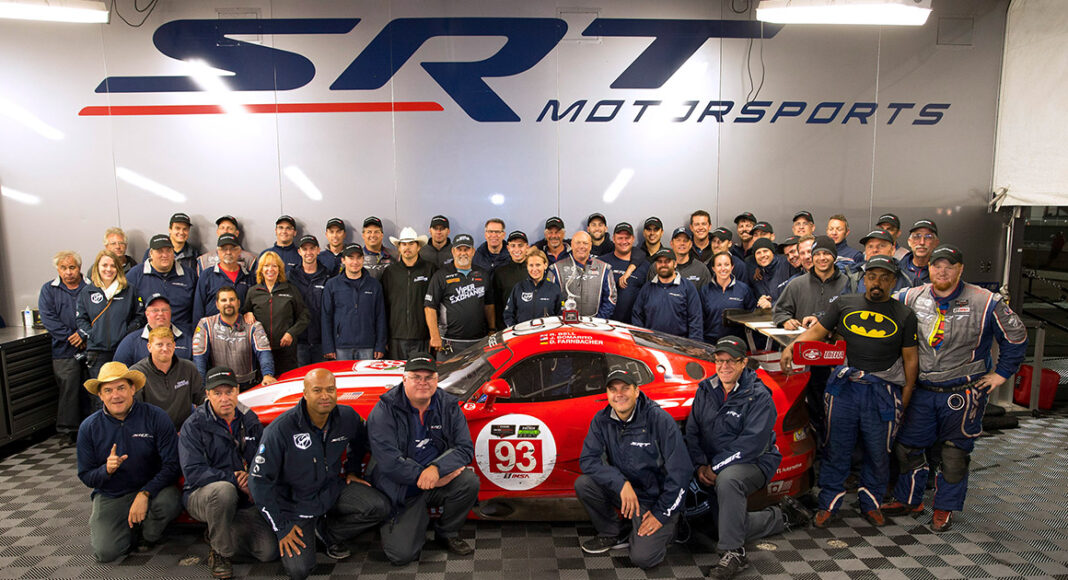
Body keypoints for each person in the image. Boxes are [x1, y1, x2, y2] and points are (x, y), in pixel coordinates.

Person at [883, 245, 1027, 532]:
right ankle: (910, 499)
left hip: (962, 392)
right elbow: (873, 309)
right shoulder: (910, 296)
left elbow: (1017, 337)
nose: (942, 271)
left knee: (953, 454)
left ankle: (944, 508)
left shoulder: (986, 301)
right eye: (937, 266)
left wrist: (1001, 374)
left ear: (960, 269)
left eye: (949, 266)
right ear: (929, 268)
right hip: (922, 390)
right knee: (907, 447)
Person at [781, 256, 918, 528]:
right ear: (864, 279)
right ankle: (829, 504)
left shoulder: (904, 314)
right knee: (836, 447)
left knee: (878, 452)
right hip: (844, 389)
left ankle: (871, 503)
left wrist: (905, 396)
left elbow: (911, 360)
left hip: (881, 392)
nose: (877, 283)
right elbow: (818, 331)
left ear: (893, 281)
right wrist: (792, 346)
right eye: (872, 276)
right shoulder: (845, 304)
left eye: (884, 278)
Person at [686, 337, 812, 580]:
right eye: (719, 361)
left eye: (731, 361)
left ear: (743, 363)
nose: (724, 366)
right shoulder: (705, 389)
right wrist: (700, 464)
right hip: (714, 463)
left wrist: (715, 467)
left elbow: (751, 445)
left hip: (755, 461)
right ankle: (783, 516)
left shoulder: (759, 395)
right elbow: (692, 432)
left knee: (729, 480)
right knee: (724, 524)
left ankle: (734, 553)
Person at [249, 368, 390, 579]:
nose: (325, 396)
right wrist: (282, 527)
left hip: (331, 491)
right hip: (296, 505)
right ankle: (304, 532)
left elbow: (361, 441)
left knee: (379, 507)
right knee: (299, 571)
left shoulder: (347, 417)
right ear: (305, 393)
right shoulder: (280, 430)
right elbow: (258, 481)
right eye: (317, 390)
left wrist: (352, 470)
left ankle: (325, 533)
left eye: (330, 389)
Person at [367, 354, 479, 565]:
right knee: (401, 556)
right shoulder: (384, 411)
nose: (423, 382)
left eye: (429, 377)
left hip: (435, 480)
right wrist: (427, 477)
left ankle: (447, 533)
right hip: (402, 490)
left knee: (468, 482)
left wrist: (436, 469)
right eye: (416, 377)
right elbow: (389, 463)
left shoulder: (448, 405)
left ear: (437, 380)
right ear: (404, 379)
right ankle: (401, 520)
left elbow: (464, 448)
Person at [575, 369, 691, 569]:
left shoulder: (659, 420)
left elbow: (681, 473)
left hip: (656, 501)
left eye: (625, 388)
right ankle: (613, 532)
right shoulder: (602, 419)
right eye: (613, 389)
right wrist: (621, 484)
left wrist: (661, 514)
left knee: (643, 558)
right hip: (628, 494)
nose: (619, 394)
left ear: (637, 391)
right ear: (607, 394)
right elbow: (588, 460)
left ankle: (672, 527)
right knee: (585, 484)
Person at [178, 367, 278, 579]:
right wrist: (234, 479)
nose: (224, 398)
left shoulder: (250, 420)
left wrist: (252, 479)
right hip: (201, 494)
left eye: (229, 392)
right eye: (217, 393)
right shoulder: (193, 425)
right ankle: (220, 552)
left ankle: (220, 531)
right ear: (208, 394)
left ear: (237, 390)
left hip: (243, 498)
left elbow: (264, 460)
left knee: (268, 552)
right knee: (224, 491)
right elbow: (193, 472)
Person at [76, 362, 182, 562]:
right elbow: (86, 475)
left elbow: (173, 465)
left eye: (121, 388)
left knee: (170, 501)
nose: (115, 395)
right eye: (108, 390)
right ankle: (131, 530)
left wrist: (145, 493)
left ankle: (147, 534)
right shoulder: (88, 428)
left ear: (133, 389)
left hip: (154, 490)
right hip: (112, 494)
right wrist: (106, 470)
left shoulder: (156, 417)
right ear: (100, 395)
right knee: (106, 553)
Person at [772, 236, 852, 444]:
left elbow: (854, 317)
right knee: (811, 408)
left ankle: (834, 447)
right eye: (817, 254)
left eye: (826, 254)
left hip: (840, 359)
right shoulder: (797, 284)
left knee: (839, 410)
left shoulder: (848, 284)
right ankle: (818, 447)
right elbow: (779, 311)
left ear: (834, 256)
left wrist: (829, 326)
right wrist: (785, 320)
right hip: (807, 358)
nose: (821, 258)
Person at [40, 250, 89, 445]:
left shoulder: (91, 287)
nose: (68, 272)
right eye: (63, 268)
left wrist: (84, 334)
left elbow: (99, 315)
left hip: (90, 346)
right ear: (57, 269)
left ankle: (91, 427)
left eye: (72, 267)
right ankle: (69, 431)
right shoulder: (49, 290)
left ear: (79, 268)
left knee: (91, 388)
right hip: (63, 350)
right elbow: (48, 319)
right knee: (69, 389)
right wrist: (72, 337)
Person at [77, 250, 143, 382]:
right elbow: (81, 319)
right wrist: (93, 334)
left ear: (118, 268)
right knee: (100, 390)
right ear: (97, 267)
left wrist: (126, 333)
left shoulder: (129, 290)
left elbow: (140, 316)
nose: (108, 269)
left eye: (113, 266)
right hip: (97, 351)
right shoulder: (87, 292)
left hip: (123, 348)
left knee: (124, 386)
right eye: (104, 265)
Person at [193, 287, 276, 389]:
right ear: (217, 304)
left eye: (232, 299)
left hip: (248, 386)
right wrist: (201, 388)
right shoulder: (205, 324)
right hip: (219, 386)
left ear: (238, 303)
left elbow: (264, 352)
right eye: (224, 300)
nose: (228, 303)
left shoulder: (253, 325)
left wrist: (268, 374)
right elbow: (199, 358)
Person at [425, 234, 492, 359]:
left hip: (479, 341)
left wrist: (492, 329)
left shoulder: (483, 274)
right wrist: (434, 335)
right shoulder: (441, 275)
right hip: (449, 341)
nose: (463, 253)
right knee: (448, 372)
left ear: (473, 251)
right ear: (453, 251)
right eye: (459, 249)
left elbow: (489, 304)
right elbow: (430, 307)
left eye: (466, 249)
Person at [243, 251, 309, 376]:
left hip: (286, 349)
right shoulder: (253, 292)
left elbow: (304, 316)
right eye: (266, 266)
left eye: (274, 266)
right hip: (262, 350)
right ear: (261, 269)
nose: (270, 269)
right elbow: (243, 312)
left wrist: (291, 333)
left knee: (287, 382)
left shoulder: (290, 289)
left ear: (280, 269)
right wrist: (247, 312)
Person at [322, 243, 387, 361]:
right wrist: (328, 347)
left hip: (368, 346)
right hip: (340, 347)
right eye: (351, 258)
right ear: (343, 260)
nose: (355, 262)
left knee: (366, 374)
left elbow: (380, 316)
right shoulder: (331, 285)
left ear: (363, 259)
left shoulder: (374, 285)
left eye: (358, 258)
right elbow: (326, 317)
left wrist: (380, 345)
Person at [132, 326, 204, 430]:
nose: (165, 349)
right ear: (149, 347)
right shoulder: (137, 373)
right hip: (151, 431)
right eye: (160, 344)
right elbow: (135, 411)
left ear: (174, 346)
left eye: (169, 344)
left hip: (184, 431)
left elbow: (200, 397)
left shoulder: (188, 368)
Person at [382, 227, 437, 359]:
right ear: (399, 248)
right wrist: (385, 337)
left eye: (411, 243)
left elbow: (436, 304)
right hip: (396, 337)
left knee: (421, 372)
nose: (407, 247)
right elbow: (384, 306)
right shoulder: (390, 272)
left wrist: (434, 334)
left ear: (418, 247)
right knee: (398, 372)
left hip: (422, 337)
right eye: (404, 244)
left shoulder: (430, 269)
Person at [127, 234, 198, 336]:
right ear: (151, 253)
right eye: (160, 251)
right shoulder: (135, 275)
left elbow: (197, 310)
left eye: (168, 250)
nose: (165, 255)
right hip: (148, 335)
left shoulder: (189, 275)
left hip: (183, 335)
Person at [632, 249, 702, 340]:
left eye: (667, 261)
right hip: (652, 343)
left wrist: (694, 344)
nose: (663, 265)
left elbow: (695, 319)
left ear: (675, 264)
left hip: (679, 344)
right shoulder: (647, 288)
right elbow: (637, 316)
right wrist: (642, 338)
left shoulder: (687, 287)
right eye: (660, 262)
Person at [550, 231, 617, 319]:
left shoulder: (604, 269)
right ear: (572, 245)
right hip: (564, 323)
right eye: (578, 243)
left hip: (595, 323)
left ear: (590, 246)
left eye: (585, 243)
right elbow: (550, 298)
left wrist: (598, 320)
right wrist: (561, 319)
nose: (581, 246)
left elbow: (611, 299)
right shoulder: (556, 269)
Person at [289, 235, 333, 367]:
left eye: (312, 248)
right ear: (299, 251)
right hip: (298, 341)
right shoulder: (290, 277)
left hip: (321, 341)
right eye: (305, 249)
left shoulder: (328, 276)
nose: (309, 252)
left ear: (318, 250)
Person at [114, 295, 193, 366]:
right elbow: (117, 372)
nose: (160, 313)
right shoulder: (130, 342)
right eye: (155, 310)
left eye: (165, 310)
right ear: (147, 314)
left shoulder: (187, 339)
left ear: (170, 312)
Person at [193, 233, 254, 323]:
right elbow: (198, 307)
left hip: (241, 329)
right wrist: (198, 330)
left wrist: (250, 312)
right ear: (218, 252)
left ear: (239, 251)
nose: (228, 252)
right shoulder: (207, 275)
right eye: (224, 249)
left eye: (232, 249)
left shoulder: (249, 277)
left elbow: (254, 305)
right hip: (212, 329)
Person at [701, 252, 756, 343]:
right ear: (713, 268)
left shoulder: (744, 289)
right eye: (719, 265)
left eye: (726, 265)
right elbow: (699, 319)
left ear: (732, 267)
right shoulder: (705, 290)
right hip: (710, 342)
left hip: (736, 343)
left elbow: (752, 316)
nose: (723, 268)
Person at [601, 222, 649, 324]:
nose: (624, 241)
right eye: (620, 238)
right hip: (605, 323)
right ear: (613, 239)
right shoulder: (601, 263)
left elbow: (648, 299)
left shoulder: (645, 266)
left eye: (627, 238)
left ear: (633, 239)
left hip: (634, 325)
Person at [504, 248, 562, 326]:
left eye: (538, 265)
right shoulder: (519, 287)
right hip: (523, 332)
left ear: (545, 265)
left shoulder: (554, 289)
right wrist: (515, 329)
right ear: (527, 267)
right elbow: (508, 314)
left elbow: (560, 316)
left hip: (546, 332)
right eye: (531, 265)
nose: (534, 269)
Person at [849, 229, 917, 293]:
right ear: (865, 251)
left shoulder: (908, 278)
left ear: (892, 250)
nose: (875, 250)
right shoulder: (852, 274)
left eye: (881, 246)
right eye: (870, 246)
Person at [490, 230, 531, 329]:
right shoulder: (500, 273)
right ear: (508, 248)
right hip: (507, 328)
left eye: (520, 245)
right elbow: (497, 304)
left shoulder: (535, 270)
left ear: (527, 247)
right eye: (513, 246)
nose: (517, 249)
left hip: (532, 326)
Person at [748, 238, 792, 309]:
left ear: (772, 252)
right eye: (758, 253)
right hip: (774, 314)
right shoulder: (757, 274)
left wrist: (772, 304)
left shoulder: (787, 262)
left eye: (765, 251)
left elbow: (795, 297)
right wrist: (763, 300)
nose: (762, 255)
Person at [899, 219, 940, 284]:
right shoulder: (897, 269)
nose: (922, 242)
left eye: (928, 237)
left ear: (936, 242)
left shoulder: (942, 273)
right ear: (909, 242)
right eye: (917, 236)